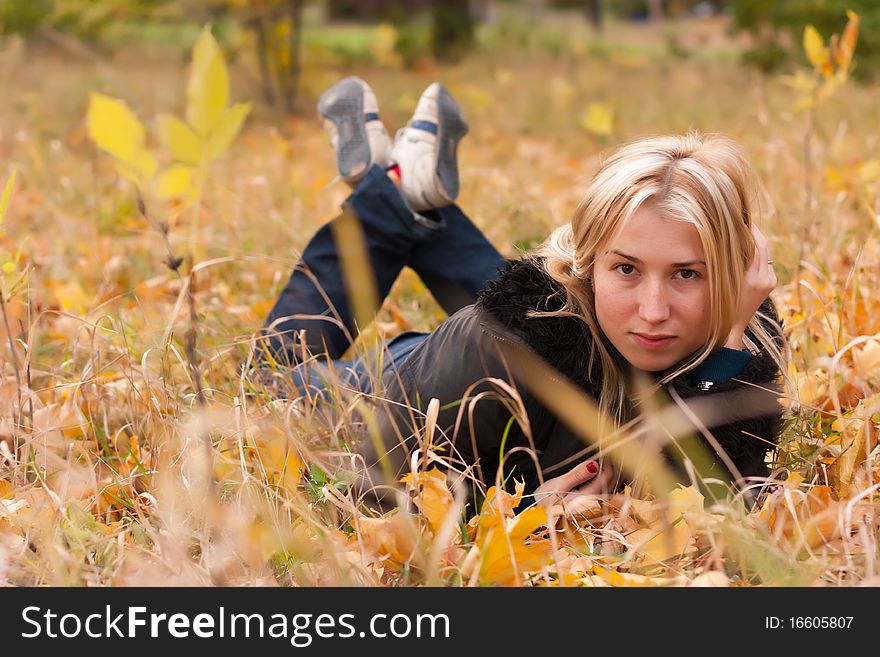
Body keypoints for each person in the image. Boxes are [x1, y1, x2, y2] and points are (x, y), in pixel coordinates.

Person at [254, 76, 789, 513]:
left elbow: (726, 501)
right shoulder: (497, 345)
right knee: (268, 372)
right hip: (400, 383)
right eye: (625, 268)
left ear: (734, 270)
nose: (653, 312)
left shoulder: (743, 331)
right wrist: (523, 515)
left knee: (537, 327)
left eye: (687, 274)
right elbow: (371, 497)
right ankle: (388, 192)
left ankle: (396, 188)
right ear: (588, 264)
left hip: (518, 355)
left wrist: (730, 349)